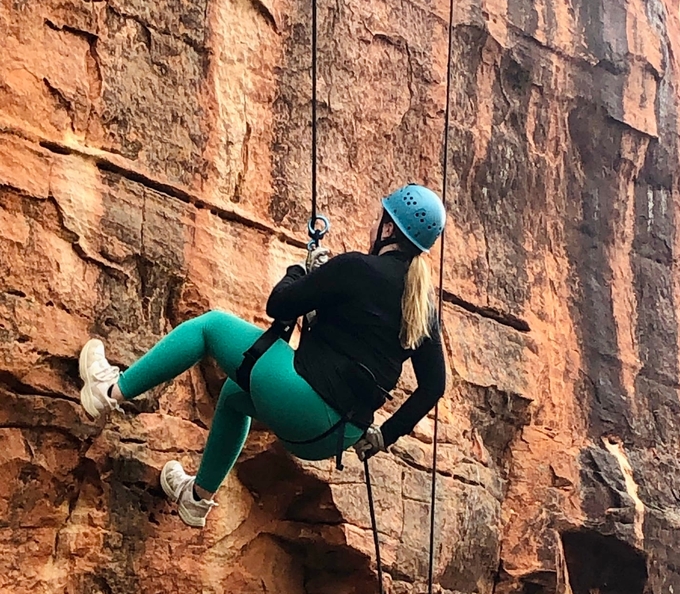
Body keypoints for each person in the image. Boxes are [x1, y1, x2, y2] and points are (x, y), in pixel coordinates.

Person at [78, 185, 447, 528]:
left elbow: (280, 304)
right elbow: (433, 386)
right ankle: (197, 498)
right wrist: (385, 436)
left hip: (302, 400)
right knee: (236, 397)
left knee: (210, 327)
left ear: (388, 230)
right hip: (334, 437)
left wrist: (299, 272)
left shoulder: (357, 268)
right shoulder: (423, 306)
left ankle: (109, 391)